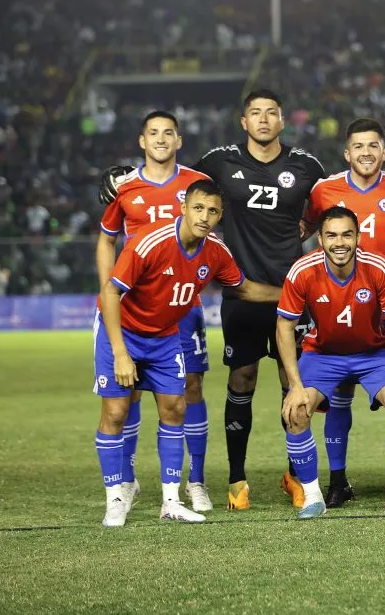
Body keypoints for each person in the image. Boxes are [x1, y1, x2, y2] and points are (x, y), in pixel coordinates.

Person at [101, 89, 327, 510]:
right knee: (241, 381)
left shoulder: (307, 165)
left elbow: (330, 206)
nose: (263, 120)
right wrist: (121, 177)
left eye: (271, 113)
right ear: (243, 122)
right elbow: (170, 172)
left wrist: (308, 230)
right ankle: (237, 481)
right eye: (255, 113)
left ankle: (297, 477)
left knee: (292, 384)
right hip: (240, 292)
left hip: (291, 293)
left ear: (283, 121)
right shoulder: (219, 161)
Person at [94, 180, 282, 527]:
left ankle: (171, 501)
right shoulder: (150, 242)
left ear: (220, 215)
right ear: (183, 207)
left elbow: (244, 288)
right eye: (198, 208)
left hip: (166, 338)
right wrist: (121, 354)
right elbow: (110, 295)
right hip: (124, 333)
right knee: (117, 412)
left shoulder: (216, 252)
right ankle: (116, 497)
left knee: (175, 409)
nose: (205, 216)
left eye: (212, 211)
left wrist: (293, 294)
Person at [303, 118, 385, 507]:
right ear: (346, 152)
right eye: (358, 146)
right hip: (337, 308)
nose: (366, 153)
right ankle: (338, 481)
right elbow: (301, 231)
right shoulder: (324, 191)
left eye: (373, 145)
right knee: (338, 397)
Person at [96, 110, 213, 512]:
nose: (161, 139)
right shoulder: (124, 187)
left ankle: (194, 481)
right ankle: (126, 481)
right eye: (153, 133)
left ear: (179, 140)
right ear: (141, 141)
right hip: (134, 308)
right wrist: (107, 288)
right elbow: (106, 240)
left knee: (188, 392)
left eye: (169, 133)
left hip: (183, 307)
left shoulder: (196, 185)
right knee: (126, 397)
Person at [277, 206, 385, 518]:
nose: (339, 243)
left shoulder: (378, 267)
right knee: (296, 411)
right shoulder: (302, 270)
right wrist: (295, 386)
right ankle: (313, 497)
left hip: (372, 354)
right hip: (323, 355)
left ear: (358, 237)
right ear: (320, 240)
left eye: (346, 235)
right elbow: (284, 327)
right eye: (331, 236)